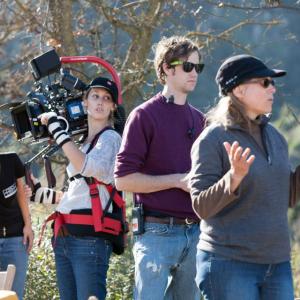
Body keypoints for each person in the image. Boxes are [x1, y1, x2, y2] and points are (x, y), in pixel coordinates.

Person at [189, 54, 298, 300]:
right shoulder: (212, 139)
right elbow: (201, 206)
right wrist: (233, 177)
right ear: (238, 89)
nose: (273, 88)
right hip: (229, 264)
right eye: (265, 82)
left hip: (277, 264)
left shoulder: (276, 137)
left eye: (272, 82)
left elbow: (286, 197)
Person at [114, 35, 206, 300]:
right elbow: (123, 180)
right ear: (167, 68)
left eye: (197, 67)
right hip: (155, 232)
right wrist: (177, 180)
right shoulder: (144, 115)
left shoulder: (200, 120)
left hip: (196, 230)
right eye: (188, 66)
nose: (194, 73)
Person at [38, 76, 124, 300]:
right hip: (65, 236)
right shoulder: (84, 142)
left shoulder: (111, 138)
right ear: (84, 102)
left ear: (113, 106)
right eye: (95, 96)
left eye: (107, 99)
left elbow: (87, 167)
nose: (100, 102)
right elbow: (80, 193)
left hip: (90, 239)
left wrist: (59, 131)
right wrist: (42, 194)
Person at [0, 152, 34, 299]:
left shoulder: (11, 160)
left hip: (16, 239)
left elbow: (21, 191)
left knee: (14, 296)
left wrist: (28, 225)